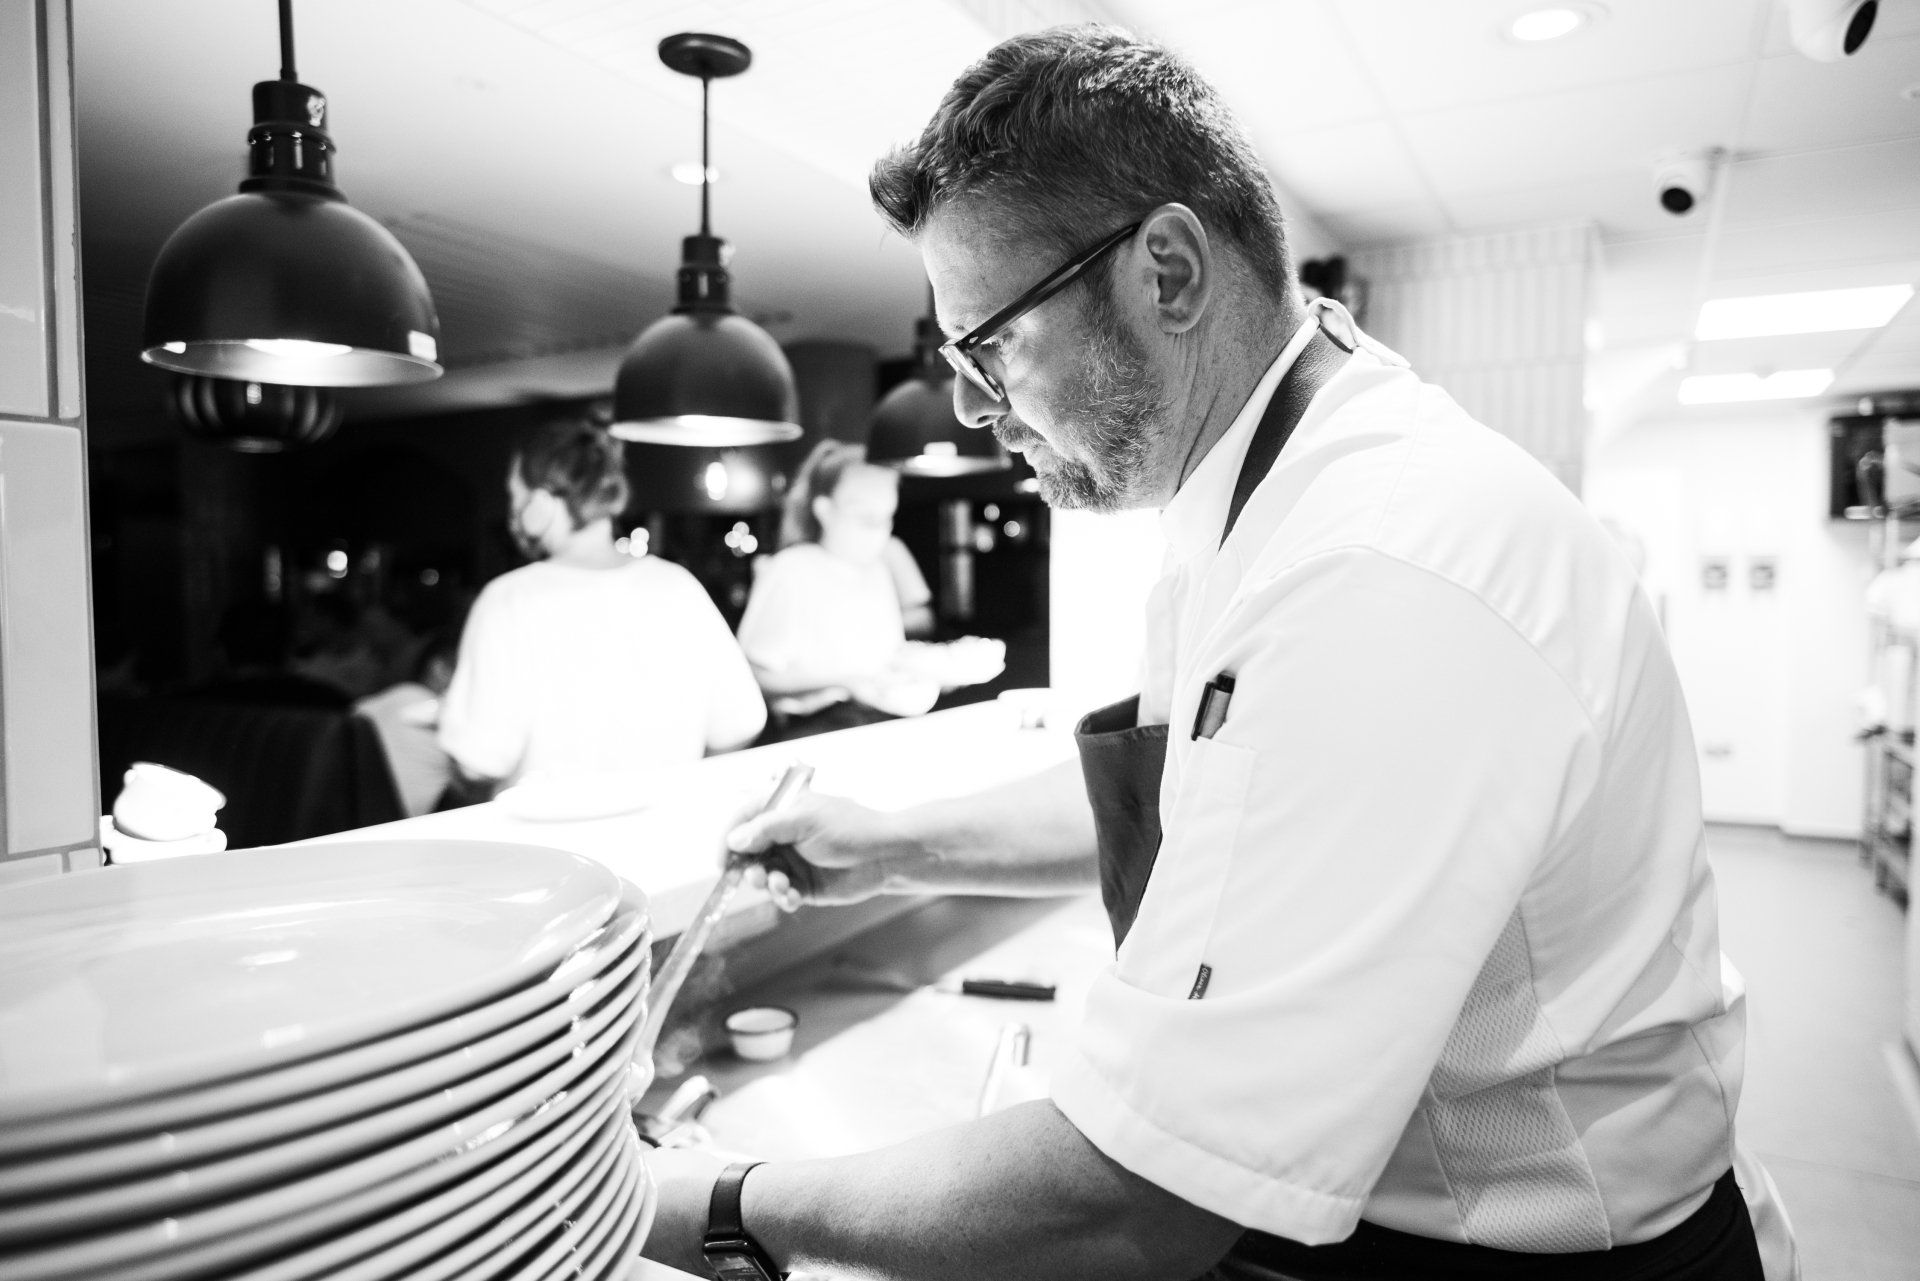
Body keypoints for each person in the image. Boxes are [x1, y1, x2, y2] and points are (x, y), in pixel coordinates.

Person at [642, 24, 1797, 1281]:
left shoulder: (1378, 574)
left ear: (1170, 273)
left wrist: (715, 1201)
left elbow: (1138, 1201)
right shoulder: (1265, 487)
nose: (972, 410)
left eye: (991, 347)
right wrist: (889, 844)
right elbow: (1224, 796)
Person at [436, 419, 765, 792]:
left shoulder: (510, 599)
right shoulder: (677, 586)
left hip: (545, 844)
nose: (513, 512)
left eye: (515, 497)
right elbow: (739, 723)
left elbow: (479, 762)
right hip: (664, 836)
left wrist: (451, 722)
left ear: (541, 504)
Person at [737, 439, 1004, 740]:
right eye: (866, 518)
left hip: (884, 722)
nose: (879, 532)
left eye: (887, 517)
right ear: (824, 510)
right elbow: (755, 675)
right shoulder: (792, 569)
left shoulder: (877, 570)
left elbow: (884, 660)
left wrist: (940, 669)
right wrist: (846, 681)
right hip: (818, 730)